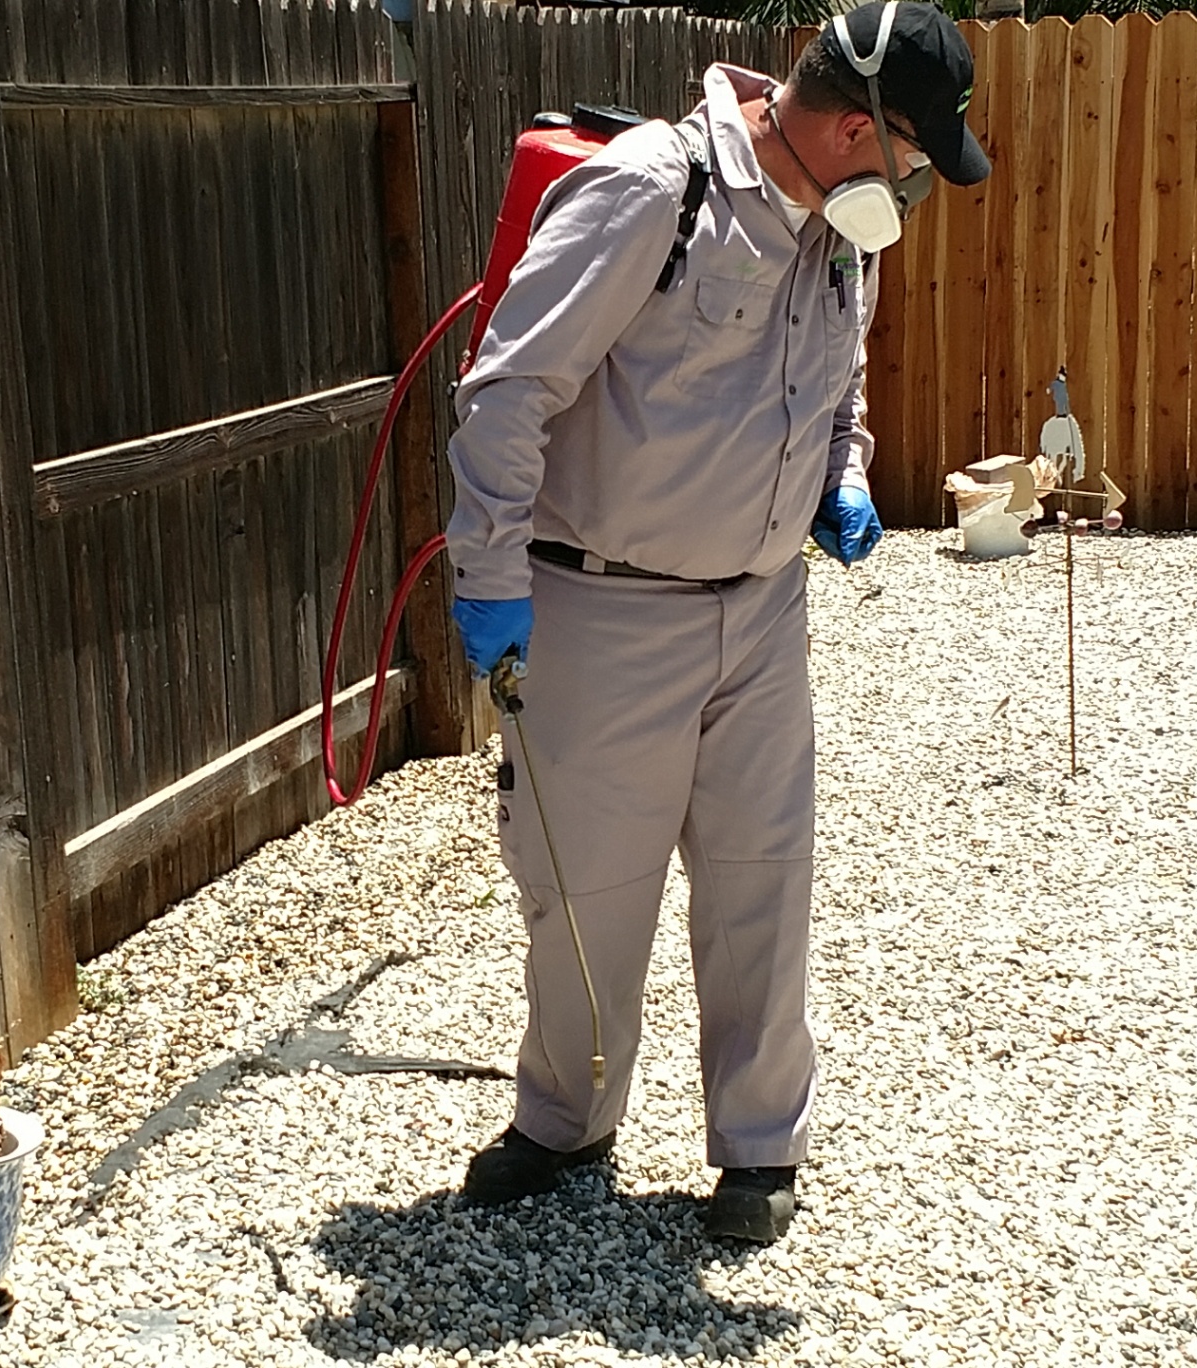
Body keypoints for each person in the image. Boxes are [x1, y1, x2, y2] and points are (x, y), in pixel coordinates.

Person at [443, 1, 989, 1243]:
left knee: (762, 883)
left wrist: (844, 472)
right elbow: (510, 391)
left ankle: (758, 1148)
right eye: (909, 159)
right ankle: (564, 1123)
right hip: (606, 610)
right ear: (857, 129)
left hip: (764, 611)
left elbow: (840, 383)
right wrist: (488, 580)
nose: (912, 185)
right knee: (589, 887)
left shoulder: (851, 235)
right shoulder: (653, 193)